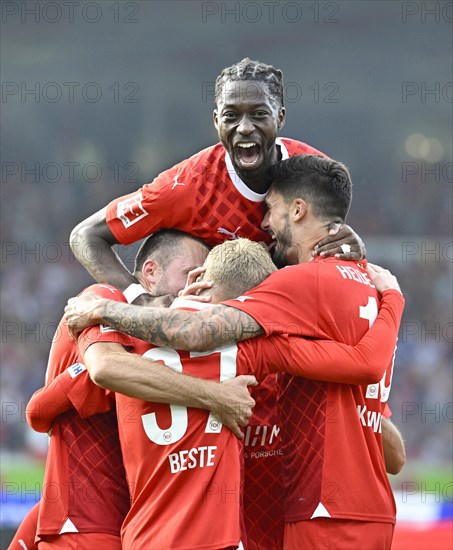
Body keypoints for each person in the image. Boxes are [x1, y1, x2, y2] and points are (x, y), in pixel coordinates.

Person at [65, 154, 405, 550]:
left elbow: (193, 332)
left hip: (318, 512)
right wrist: (396, 299)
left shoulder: (296, 287)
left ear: (298, 210)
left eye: (272, 209)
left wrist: (106, 309)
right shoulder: (372, 285)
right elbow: (390, 442)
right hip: (374, 512)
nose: (263, 223)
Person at [13, 231, 256, 550]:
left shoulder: (174, 338)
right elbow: (42, 408)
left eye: (203, 276)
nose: (196, 284)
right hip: (86, 521)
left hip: (126, 522)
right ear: (151, 272)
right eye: (188, 274)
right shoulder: (103, 299)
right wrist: (218, 396)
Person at [69, 58, 365, 302]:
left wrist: (351, 248)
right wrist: (138, 298)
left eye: (259, 114)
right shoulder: (187, 186)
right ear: (216, 121)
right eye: (231, 116)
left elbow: (330, 248)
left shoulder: (313, 174)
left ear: (281, 118)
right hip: (210, 330)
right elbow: (86, 236)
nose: (245, 127)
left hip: (281, 324)